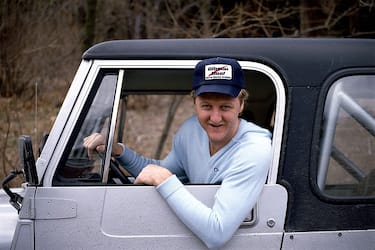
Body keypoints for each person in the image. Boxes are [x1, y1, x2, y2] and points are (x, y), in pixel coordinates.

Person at [83, 57, 272, 249]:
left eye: (225, 107)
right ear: (194, 102)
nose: (215, 118)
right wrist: (115, 150)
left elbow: (217, 233)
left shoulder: (255, 149)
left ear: (241, 105)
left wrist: (164, 179)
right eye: (206, 106)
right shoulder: (191, 130)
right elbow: (159, 171)